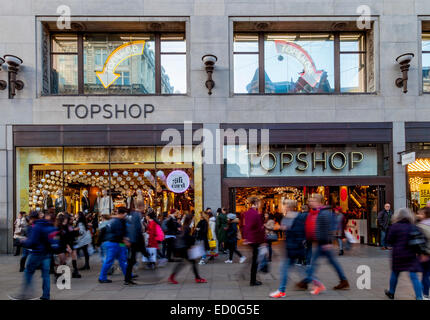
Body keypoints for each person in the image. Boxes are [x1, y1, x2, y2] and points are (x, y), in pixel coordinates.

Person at [296, 193, 350, 294]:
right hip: (321, 242)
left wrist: (328, 242)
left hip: (324, 243)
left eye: (313, 201)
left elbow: (329, 228)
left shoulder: (324, 213)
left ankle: (305, 282)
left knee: (315, 263)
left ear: (319, 202)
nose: (311, 203)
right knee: (331, 263)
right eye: (311, 201)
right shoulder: (319, 212)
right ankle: (343, 280)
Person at [10, 211, 59, 300]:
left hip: (37, 253)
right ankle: (46, 295)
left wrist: (22, 241)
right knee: (46, 275)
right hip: (47, 254)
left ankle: (25, 294)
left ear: (32, 218)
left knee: (28, 272)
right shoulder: (46, 224)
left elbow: (32, 242)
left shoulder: (36, 227)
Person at [270, 199, 307, 298]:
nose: (284, 207)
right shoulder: (289, 217)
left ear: (290, 207)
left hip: (293, 248)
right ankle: (316, 282)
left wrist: (286, 229)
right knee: (299, 270)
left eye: (286, 206)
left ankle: (281, 290)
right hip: (291, 247)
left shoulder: (296, 217)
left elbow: (299, 232)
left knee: (284, 269)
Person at [384, 208, 423, 300]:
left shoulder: (394, 226)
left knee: (395, 273)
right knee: (413, 275)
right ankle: (419, 296)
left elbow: (389, 240)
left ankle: (391, 292)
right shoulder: (413, 226)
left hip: (398, 254)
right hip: (411, 254)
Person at [168, 214, 207, 284]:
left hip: (183, 248)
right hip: (185, 248)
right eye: (192, 219)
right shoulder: (186, 228)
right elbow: (186, 238)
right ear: (189, 220)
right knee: (191, 262)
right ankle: (197, 278)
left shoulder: (184, 226)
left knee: (184, 263)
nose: (193, 220)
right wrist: (192, 241)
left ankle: (172, 277)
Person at [98, 207, 128, 283]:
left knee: (122, 260)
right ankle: (102, 277)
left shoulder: (115, 220)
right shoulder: (117, 221)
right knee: (110, 260)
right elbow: (119, 234)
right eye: (125, 214)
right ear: (122, 213)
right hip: (114, 243)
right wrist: (125, 241)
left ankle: (128, 275)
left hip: (115, 243)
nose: (126, 215)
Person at [242, 196, 266, 286]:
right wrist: (264, 241)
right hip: (256, 239)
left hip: (250, 239)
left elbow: (245, 226)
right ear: (256, 203)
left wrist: (245, 237)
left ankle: (251, 278)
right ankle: (253, 280)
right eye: (259, 203)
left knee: (253, 259)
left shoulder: (247, 213)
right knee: (255, 261)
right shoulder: (257, 214)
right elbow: (260, 229)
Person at [416, 207, 430, 300]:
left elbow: (420, 242)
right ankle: (425, 293)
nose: (418, 215)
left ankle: (423, 294)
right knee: (427, 274)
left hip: (425, 253)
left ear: (425, 215)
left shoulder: (421, 226)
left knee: (424, 274)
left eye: (420, 213)